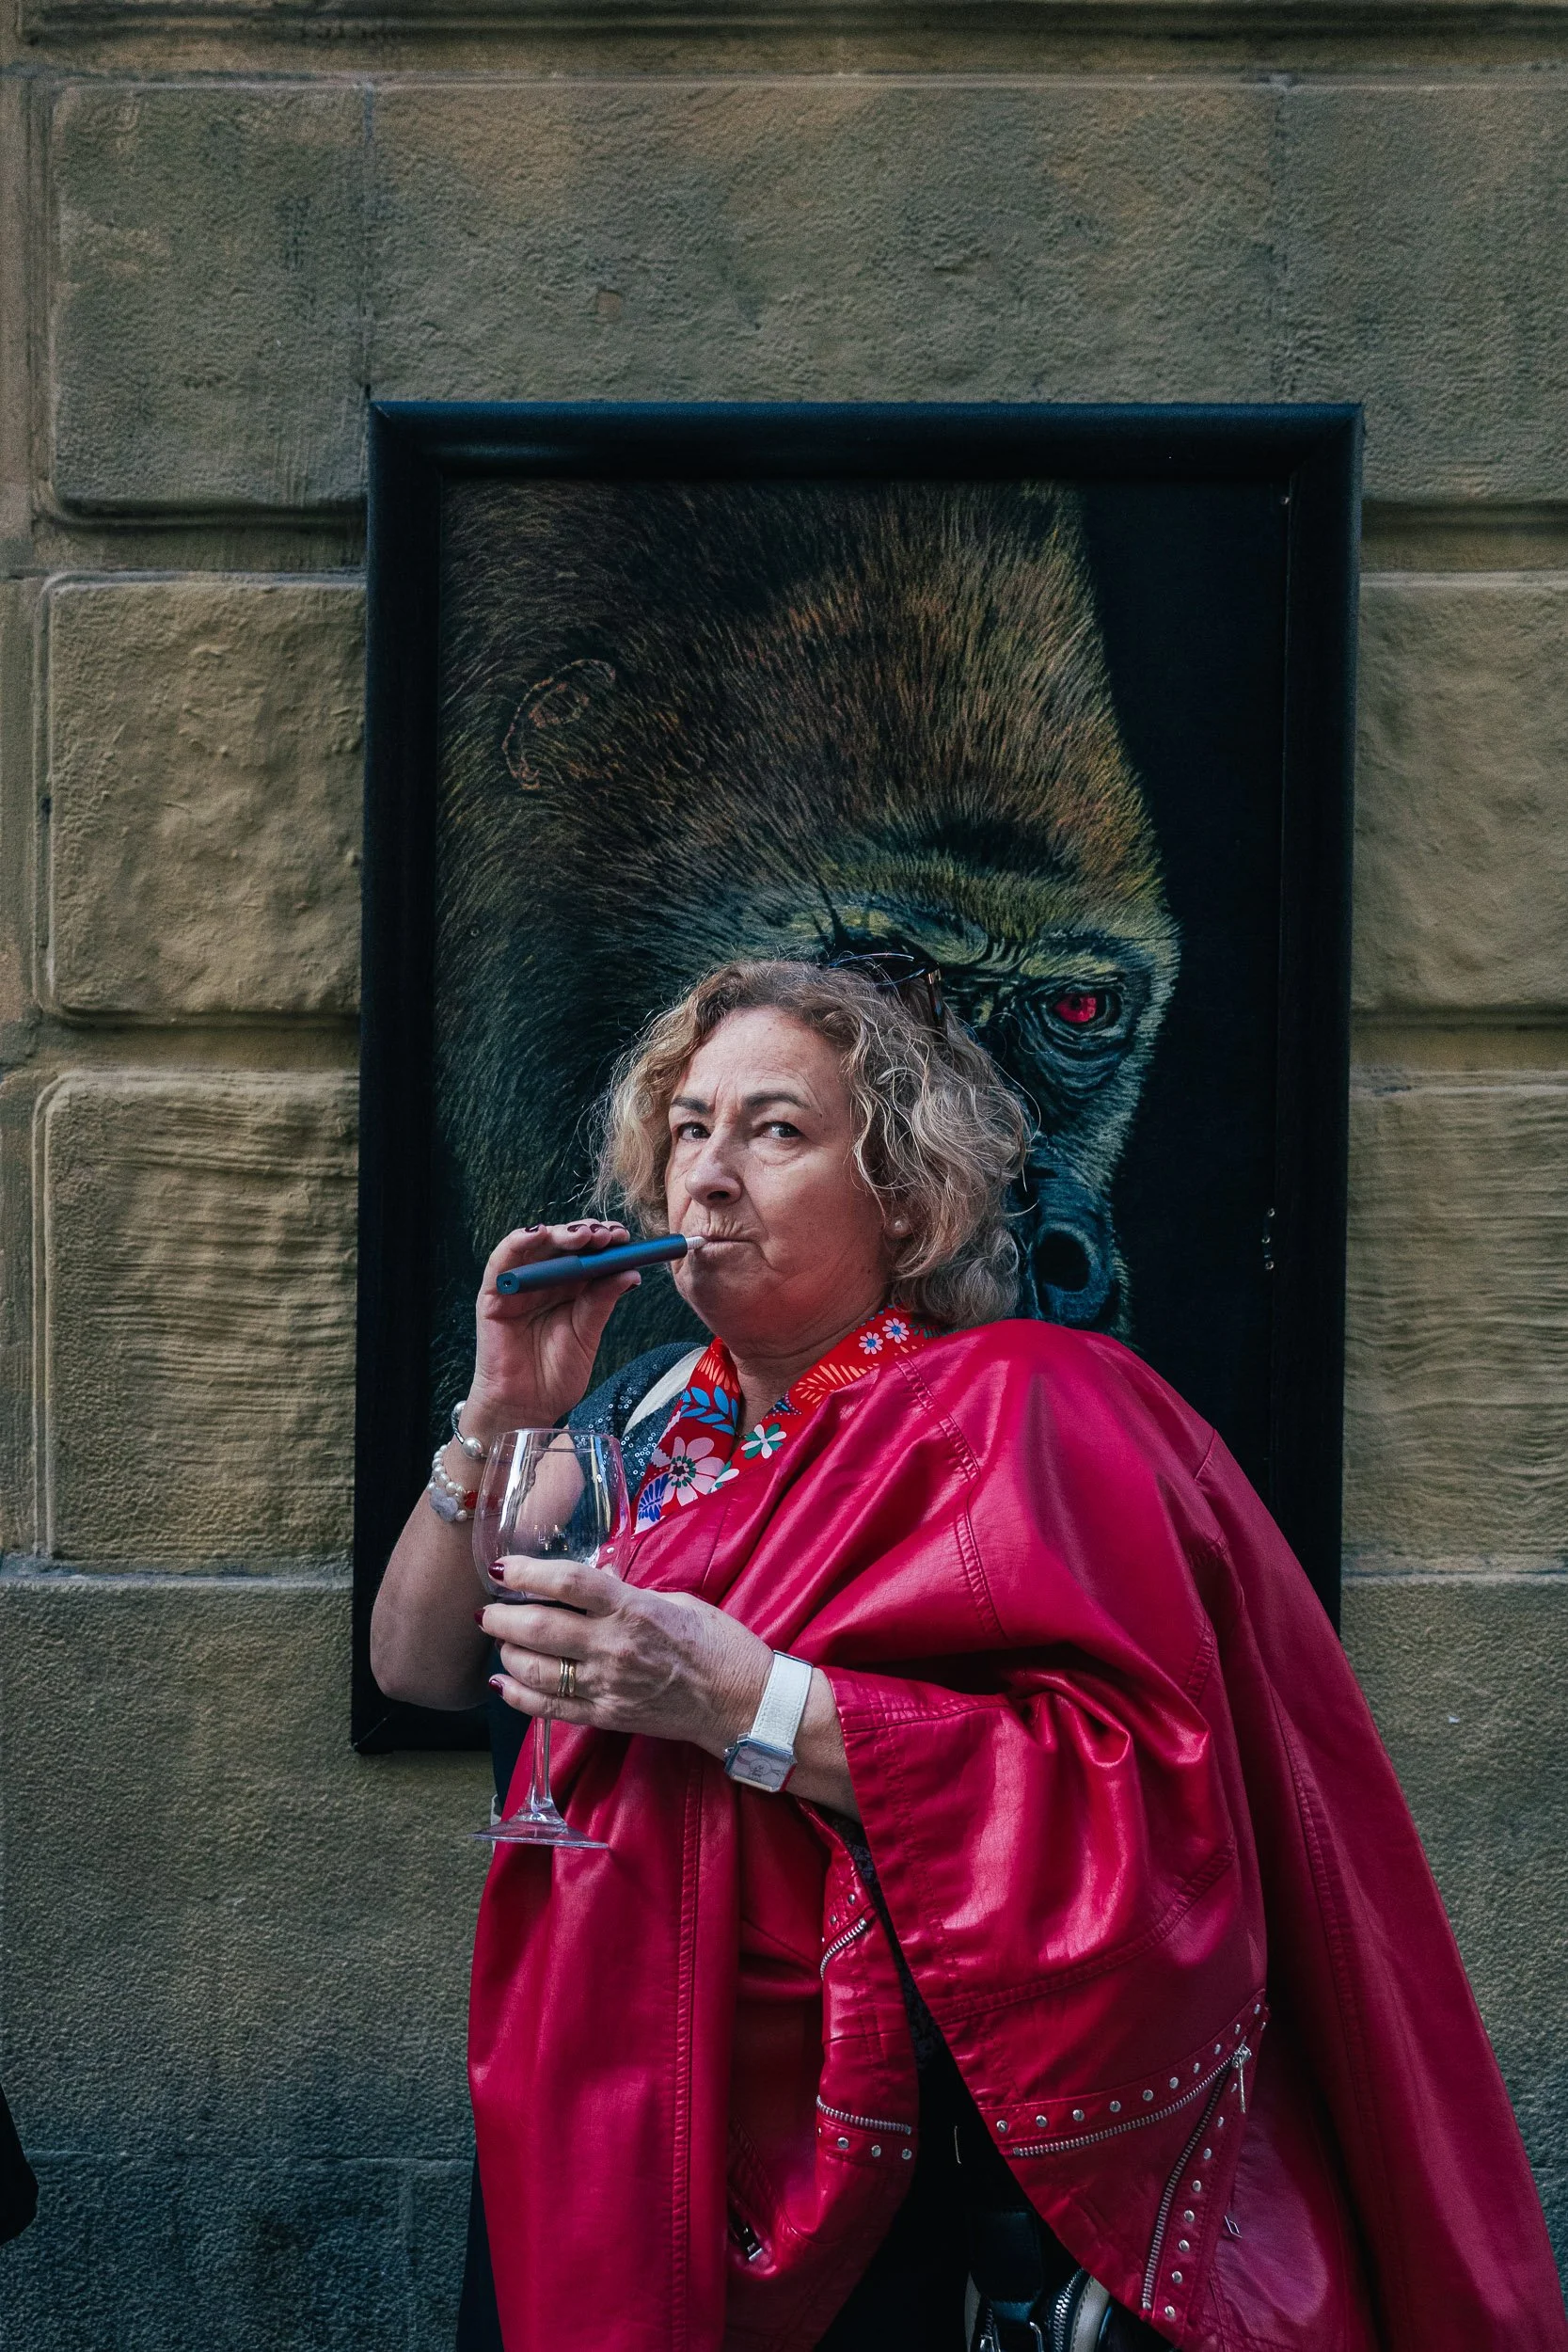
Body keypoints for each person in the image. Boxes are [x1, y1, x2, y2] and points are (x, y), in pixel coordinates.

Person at [372, 959, 1565, 2352]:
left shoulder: (1024, 1410)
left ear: (902, 1187)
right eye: (688, 1128)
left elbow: (1138, 1799)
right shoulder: (628, 1422)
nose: (707, 1176)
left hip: (863, 2155)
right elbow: (422, 1663)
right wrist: (500, 1406)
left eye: (774, 1131)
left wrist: (738, 1701)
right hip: (580, 2098)